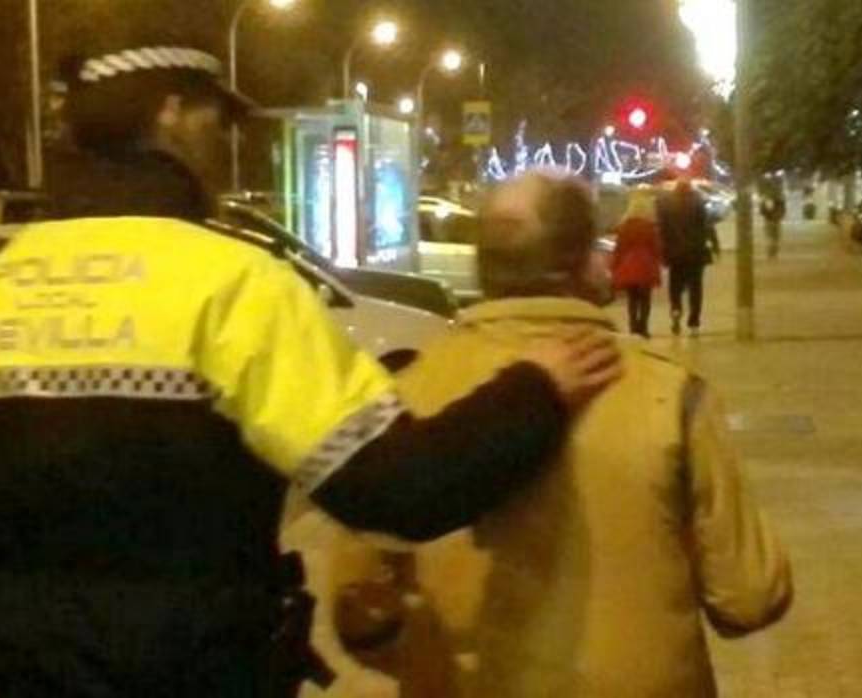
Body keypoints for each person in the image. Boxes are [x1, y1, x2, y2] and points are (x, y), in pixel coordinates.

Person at [0, 45, 624, 698]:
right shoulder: (235, 286)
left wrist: (5, 661)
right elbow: (396, 488)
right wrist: (535, 390)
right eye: (217, 121)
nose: (224, 145)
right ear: (170, 115)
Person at [332, 171, 792, 697]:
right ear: (585, 262)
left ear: (482, 267)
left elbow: (359, 611)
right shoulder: (671, 395)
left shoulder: (402, 396)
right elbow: (749, 597)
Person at [659, 178, 721, 337]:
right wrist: (715, 246)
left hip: (675, 254)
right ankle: (694, 322)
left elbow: (662, 230)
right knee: (696, 288)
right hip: (695, 252)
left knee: (675, 286)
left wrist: (662, 251)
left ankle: (676, 311)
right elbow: (707, 226)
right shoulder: (698, 202)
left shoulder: (667, 204)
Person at [609, 188, 663, 337]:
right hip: (646, 265)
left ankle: (633, 326)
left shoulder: (625, 227)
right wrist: (659, 261)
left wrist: (614, 266)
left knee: (632, 299)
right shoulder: (650, 227)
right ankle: (643, 327)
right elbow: (656, 247)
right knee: (646, 299)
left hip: (629, 265)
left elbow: (619, 248)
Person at [760, 190, 788, 260]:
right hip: (775, 221)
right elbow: (783, 211)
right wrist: (779, 217)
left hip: (769, 221)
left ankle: (771, 252)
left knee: (771, 238)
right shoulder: (780, 201)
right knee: (775, 238)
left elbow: (762, 211)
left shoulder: (767, 200)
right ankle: (773, 253)